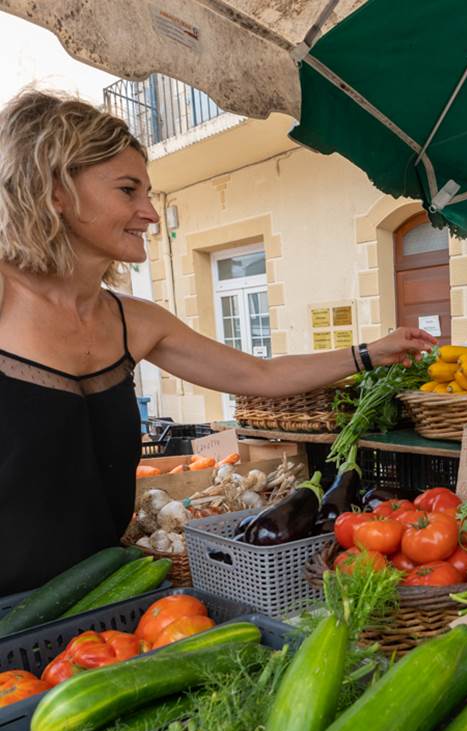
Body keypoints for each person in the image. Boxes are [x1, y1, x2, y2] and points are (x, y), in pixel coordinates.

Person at [0, 91, 436, 594]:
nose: (150, 214)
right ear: (55, 190)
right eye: (127, 190)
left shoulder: (135, 322)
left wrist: (370, 353)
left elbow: (260, 376)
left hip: (97, 598)